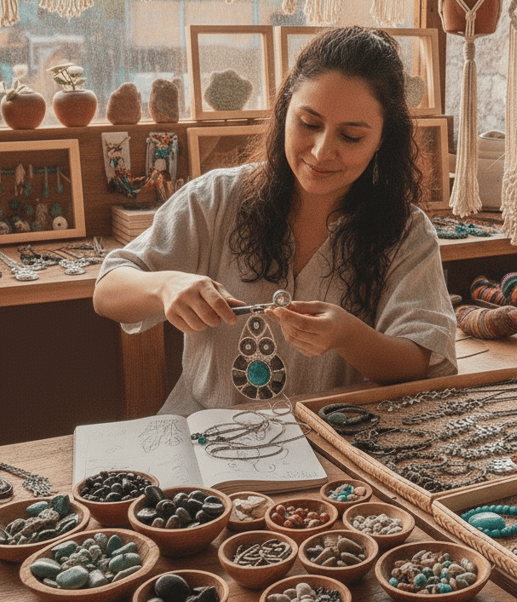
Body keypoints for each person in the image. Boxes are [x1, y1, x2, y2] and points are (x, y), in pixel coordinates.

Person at [93, 26, 457, 415]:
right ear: (285, 111)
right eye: (309, 123)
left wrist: (348, 336)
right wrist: (164, 286)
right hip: (203, 433)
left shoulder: (405, 232)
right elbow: (107, 291)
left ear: (383, 140)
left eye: (351, 137)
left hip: (331, 444)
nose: (321, 151)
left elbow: (420, 363)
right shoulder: (217, 197)